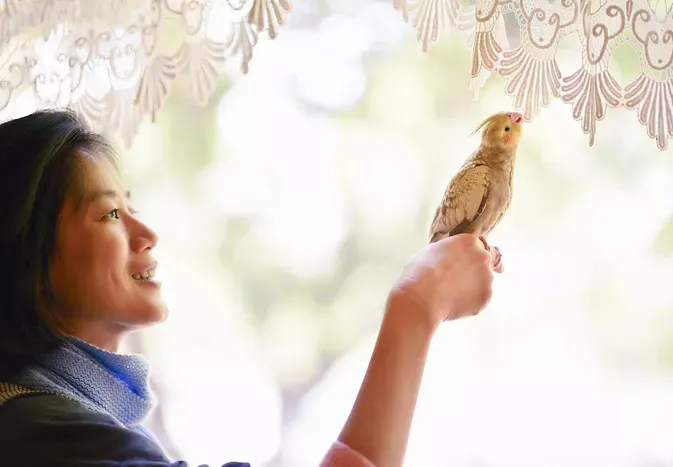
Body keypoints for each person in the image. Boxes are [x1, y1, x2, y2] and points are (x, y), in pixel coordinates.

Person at [0, 109, 501, 467]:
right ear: (29, 252)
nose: (147, 233)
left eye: (132, 207)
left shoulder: (52, 422)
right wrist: (416, 305)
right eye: (110, 213)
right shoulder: (48, 435)